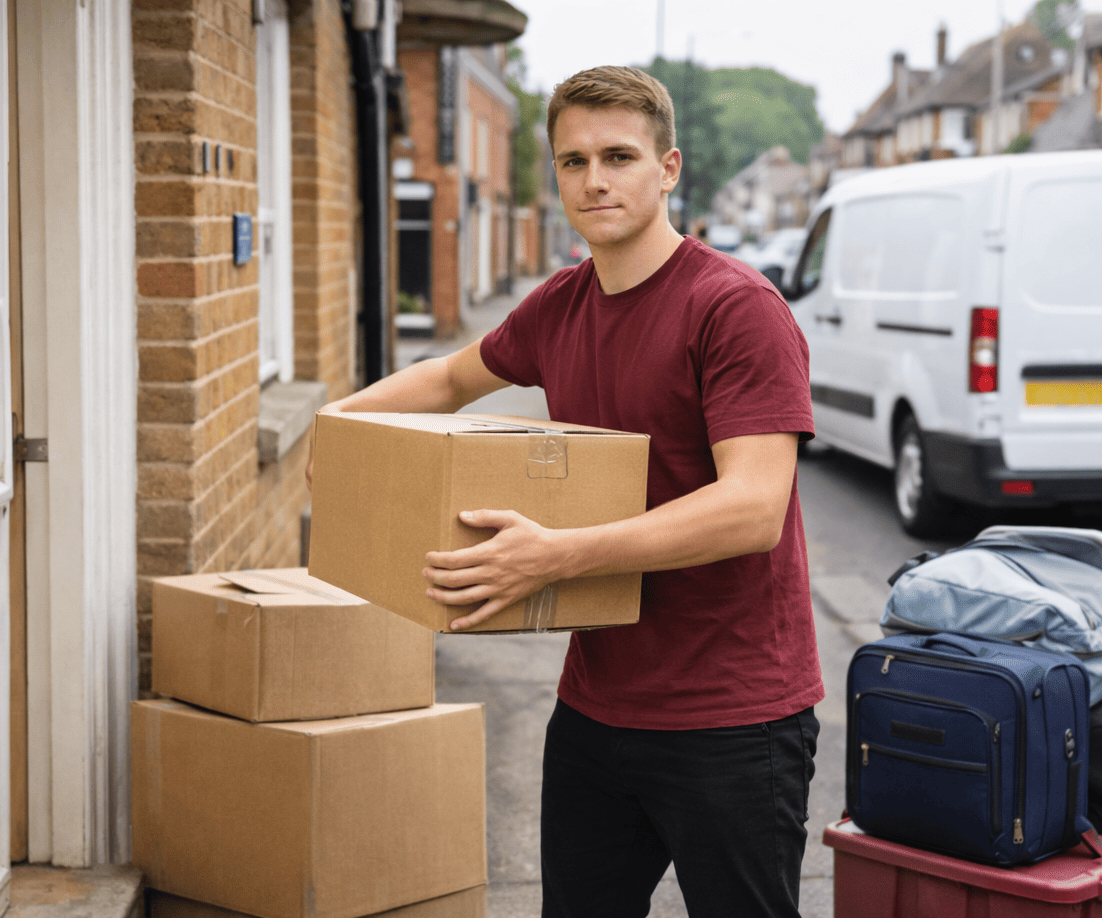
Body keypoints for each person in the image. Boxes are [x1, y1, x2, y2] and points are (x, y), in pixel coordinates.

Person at [309, 65, 823, 918]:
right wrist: (337, 425)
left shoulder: (734, 309)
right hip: (598, 706)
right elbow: (447, 380)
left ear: (668, 168)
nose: (594, 179)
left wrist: (552, 559)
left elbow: (753, 507)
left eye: (618, 155)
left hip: (733, 716)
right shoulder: (561, 304)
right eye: (572, 161)